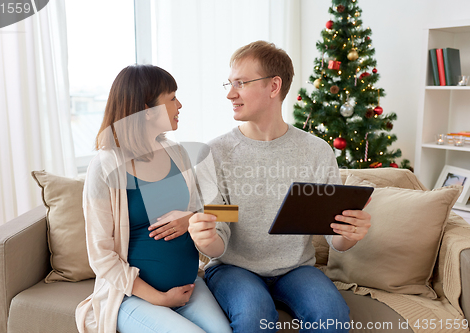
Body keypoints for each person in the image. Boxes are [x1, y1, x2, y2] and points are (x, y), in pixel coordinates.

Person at [188, 41, 372, 333]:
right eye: (229, 83)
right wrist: (204, 238)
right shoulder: (215, 154)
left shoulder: (316, 151)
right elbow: (218, 239)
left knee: (332, 317)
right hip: (233, 269)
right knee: (253, 317)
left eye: (240, 83)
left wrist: (350, 234)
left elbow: (334, 237)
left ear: (274, 86)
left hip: (296, 269)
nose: (229, 94)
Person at [75, 64, 232, 333]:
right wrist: (159, 298)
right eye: (171, 98)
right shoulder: (105, 166)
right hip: (133, 298)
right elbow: (101, 255)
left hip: (188, 288)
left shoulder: (177, 153)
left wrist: (192, 218)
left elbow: (222, 211)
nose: (179, 104)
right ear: (147, 111)